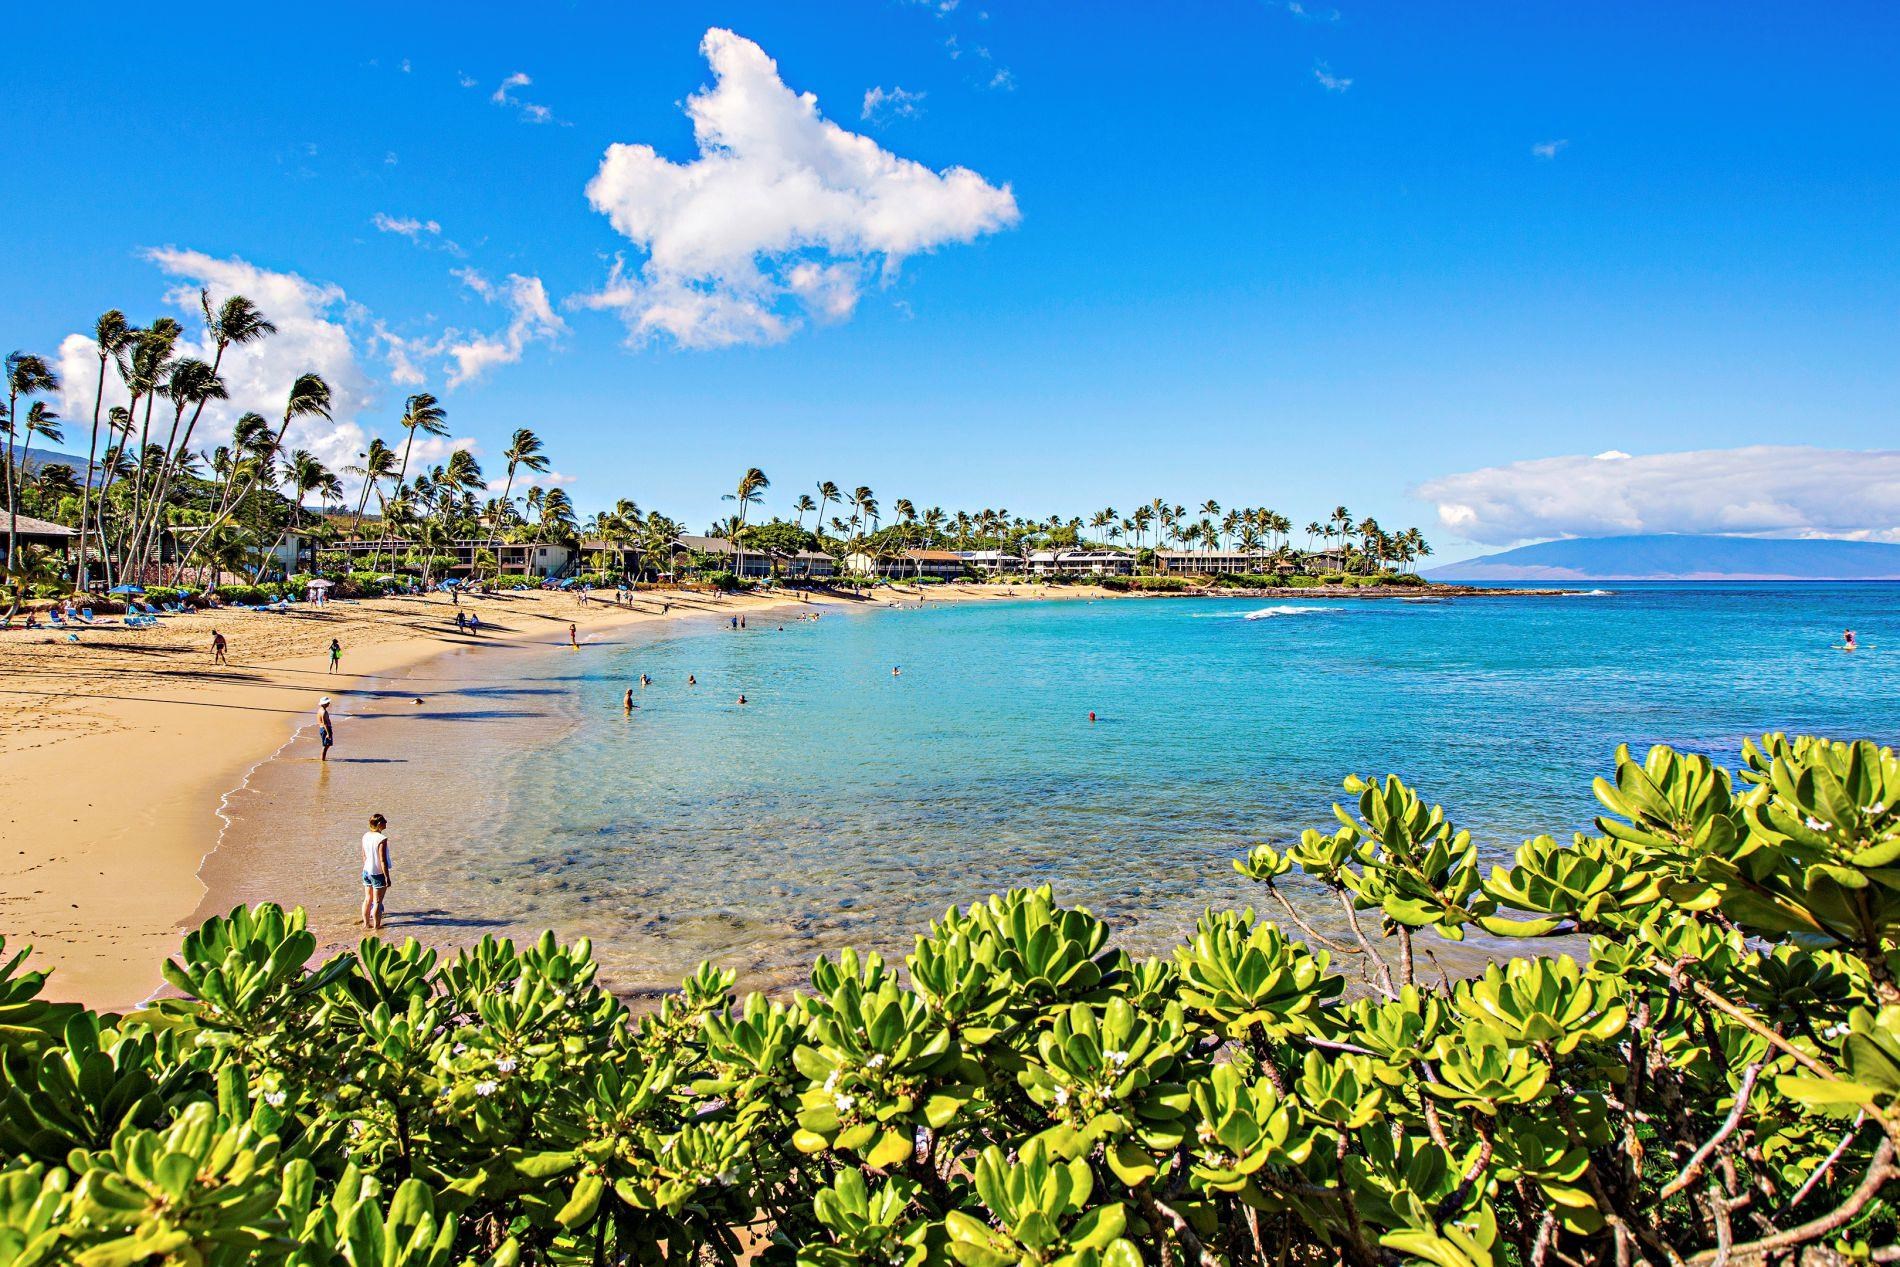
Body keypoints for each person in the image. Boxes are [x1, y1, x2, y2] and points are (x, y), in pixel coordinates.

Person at [361, 814, 391, 929]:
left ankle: (366, 924)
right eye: (384, 821)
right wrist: (387, 877)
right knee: (377, 901)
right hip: (378, 872)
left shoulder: (365, 836)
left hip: (366, 870)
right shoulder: (381, 839)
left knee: (367, 899)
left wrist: (366, 867)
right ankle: (376, 926)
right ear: (379, 824)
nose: (386, 822)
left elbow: (364, 855)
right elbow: (382, 860)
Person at [317, 697, 335, 762]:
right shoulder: (323, 712)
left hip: (323, 728)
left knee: (326, 745)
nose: (329, 703)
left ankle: (323, 759)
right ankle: (323, 760)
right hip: (325, 729)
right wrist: (328, 733)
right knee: (326, 746)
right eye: (327, 702)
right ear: (324, 704)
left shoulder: (320, 710)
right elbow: (325, 724)